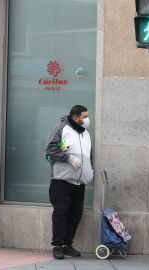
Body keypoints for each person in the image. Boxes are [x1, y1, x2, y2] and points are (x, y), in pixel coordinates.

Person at [45, 105, 94, 259]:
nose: (87, 119)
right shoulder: (61, 128)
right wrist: (69, 158)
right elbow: (50, 148)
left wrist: (89, 170)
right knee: (61, 212)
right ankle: (57, 246)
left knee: (75, 214)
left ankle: (67, 244)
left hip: (80, 182)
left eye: (87, 116)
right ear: (75, 117)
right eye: (84, 116)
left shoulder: (86, 133)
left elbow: (89, 155)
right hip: (62, 179)